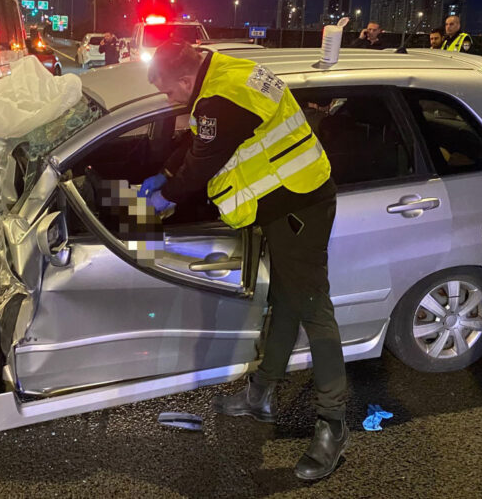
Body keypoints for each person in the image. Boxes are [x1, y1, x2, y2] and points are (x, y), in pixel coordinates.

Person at [139, 41, 349, 481]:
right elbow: (203, 139)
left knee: (313, 308)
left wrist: (168, 193)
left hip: (299, 206)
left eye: (166, 91)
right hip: (286, 201)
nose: (168, 99)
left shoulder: (220, 99)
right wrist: (170, 170)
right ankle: (260, 395)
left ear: (183, 78)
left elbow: (205, 158)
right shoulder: (223, 71)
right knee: (286, 303)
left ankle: (333, 424)